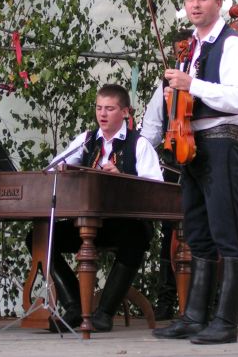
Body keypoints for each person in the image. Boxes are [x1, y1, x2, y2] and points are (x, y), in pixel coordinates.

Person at [153, 0, 238, 345]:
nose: (195, 5)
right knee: (196, 230)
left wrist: (191, 85)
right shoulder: (191, 47)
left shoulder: (232, 44)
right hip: (191, 143)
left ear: (219, 2)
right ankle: (195, 316)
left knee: (226, 228)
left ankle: (226, 321)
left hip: (221, 141)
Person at [38, 83, 163, 333]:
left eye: (109, 108)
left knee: (136, 237)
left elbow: (155, 190)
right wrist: (63, 170)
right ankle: (74, 306)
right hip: (88, 223)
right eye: (98, 108)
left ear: (125, 112)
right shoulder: (86, 140)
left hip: (126, 223)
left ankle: (104, 313)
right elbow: (53, 167)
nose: (102, 114)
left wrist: (123, 178)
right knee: (40, 238)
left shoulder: (139, 144)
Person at [139, 28, 193, 321]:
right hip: (173, 164)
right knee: (170, 233)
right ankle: (167, 298)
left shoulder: (206, 78)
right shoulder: (166, 82)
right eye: (177, 53)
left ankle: (203, 299)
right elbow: (152, 126)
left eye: (186, 50)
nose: (181, 57)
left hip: (202, 160)